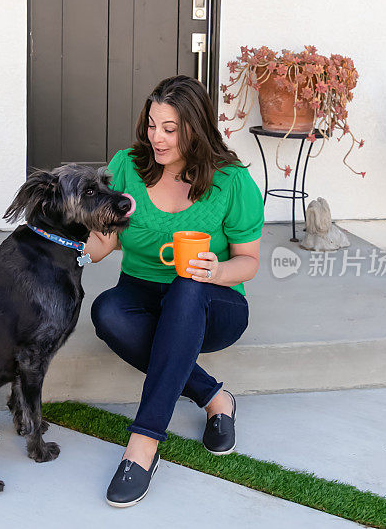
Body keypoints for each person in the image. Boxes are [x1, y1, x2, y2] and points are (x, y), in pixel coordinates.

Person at [83, 75, 265, 508]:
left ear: (195, 128)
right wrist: (79, 236)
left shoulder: (232, 180)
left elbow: (250, 263)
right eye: (151, 125)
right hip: (142, 292)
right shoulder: (127, 165)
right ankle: (213, 396)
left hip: (212, 301)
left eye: (169, 129)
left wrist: (217, 270)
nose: (156, 138)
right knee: (106, 311)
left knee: (187, 284)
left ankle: (143, 444)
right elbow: (100, 245)